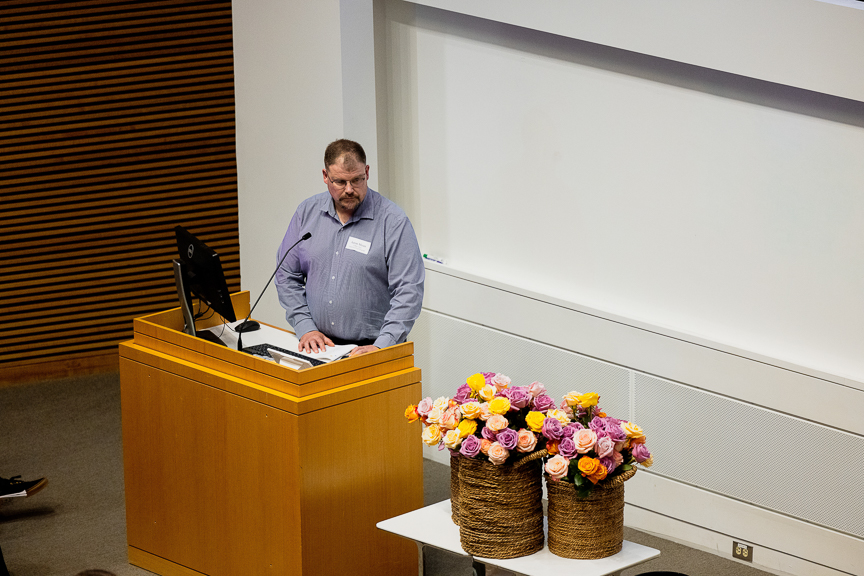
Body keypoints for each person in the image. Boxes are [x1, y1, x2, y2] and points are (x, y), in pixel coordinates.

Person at [275, 139, 424, 357]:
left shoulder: (393, 222)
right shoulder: (307, 213)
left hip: (373, 349)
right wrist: (305, 327)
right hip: (320, 348)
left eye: (357, 180)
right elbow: (286, 274)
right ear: (325, 176)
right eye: (340, 182)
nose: (349, 190)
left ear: (367, 172)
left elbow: (409, 291)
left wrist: (382, 346)